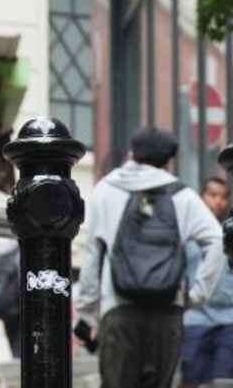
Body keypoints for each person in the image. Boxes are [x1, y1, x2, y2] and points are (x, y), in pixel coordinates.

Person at [77, 127, 225, 388]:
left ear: (133, 154)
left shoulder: (106, 190)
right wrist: (198, 293)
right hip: (167, 312)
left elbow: (93, 254)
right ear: (169, 160)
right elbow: (216, 238)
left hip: (119, 311)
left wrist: (87, 313)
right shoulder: (183, 196)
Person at [183, 175, 233, 387]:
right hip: (195, 319)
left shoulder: (230, 233)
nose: (218, 201)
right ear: (202, 197)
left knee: (223, 382)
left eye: (223, 197)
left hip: (229, 320)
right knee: (190, 380)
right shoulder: (188, 234)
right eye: (212, 195)